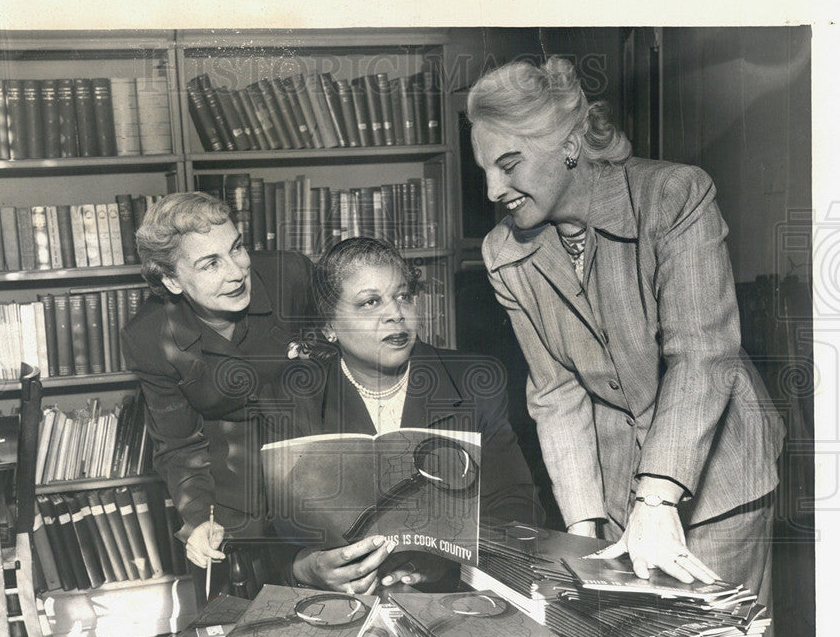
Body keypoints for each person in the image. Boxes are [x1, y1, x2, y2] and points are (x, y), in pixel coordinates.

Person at [467, 57, 785, 637]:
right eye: (484, 171)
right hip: (613, 491)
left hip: (720, 476)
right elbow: (556, 394)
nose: (494, 190)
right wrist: (583, 527)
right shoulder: (505, 254)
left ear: (567, 146)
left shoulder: (675, 195)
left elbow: (703, 354)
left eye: (508, 164)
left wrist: (659, 496)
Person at [264, 236, 538, 594]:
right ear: (329, 327)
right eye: (370, 302)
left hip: (453, 598)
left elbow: (519, 507)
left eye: (403, 296)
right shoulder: (293, 396)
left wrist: (450, 560)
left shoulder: (473, 382)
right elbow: (271, 529)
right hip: (344, 607)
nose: (395, 314)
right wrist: (306, 568)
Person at [121, 191, 315, 584]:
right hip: (233, 511)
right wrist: (198, 521)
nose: (236, 271)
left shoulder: (289, 277)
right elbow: (178, 445)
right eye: (211, 264)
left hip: (322, 485)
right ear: (172, 280)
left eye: (237, 248)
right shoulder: (149, 337)